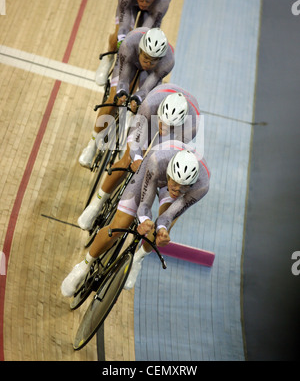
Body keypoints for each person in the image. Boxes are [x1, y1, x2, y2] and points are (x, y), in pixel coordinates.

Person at [61, 145, 210, 297]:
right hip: (153, 171)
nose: (177, 190)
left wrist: (162, 230)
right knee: (120, 225)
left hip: (178, 177)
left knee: (164, 227)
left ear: (191, 184)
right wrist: (144, 220)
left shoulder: (201, 186)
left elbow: (168, 216)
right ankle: (83, 266)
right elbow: (145, 204)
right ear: (170, 174)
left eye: (183, 187)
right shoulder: (156, 162)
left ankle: (138, 259)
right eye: (175, 184)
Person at [78, 84, 201, 231]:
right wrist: (137, 158)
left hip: (176, 135)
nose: (165, 128)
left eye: (170, 126)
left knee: (157, 165)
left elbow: (164, 155)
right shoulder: (150, 105)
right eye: (163, 123)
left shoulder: (190, 127)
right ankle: (96, 204)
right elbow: (136, 139)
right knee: (128, 159)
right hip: (151, 116)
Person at [79, 26, 175, 169]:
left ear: (160, 59)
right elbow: (123, 79)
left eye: (153, 61)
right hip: (129, 62)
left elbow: (147, 88)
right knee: (113, 99)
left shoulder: (168, 61)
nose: (148, 63)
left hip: (151, 75)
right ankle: (92, 144)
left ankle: (130, 132)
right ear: (140, 50)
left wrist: (137, 99)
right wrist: (122, 93)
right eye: (146, 58)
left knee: (147, 105)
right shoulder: (130, 43)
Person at [95, 0, 172, 86]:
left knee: (144, 47)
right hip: (130, 5)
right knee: (120, 34)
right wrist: (122, 42)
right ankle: (108, 58)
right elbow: (124, 26)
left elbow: (144, 34)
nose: (144, 2)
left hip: (153, 11)